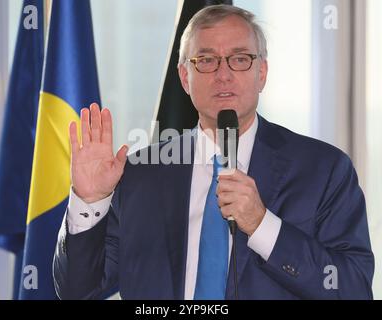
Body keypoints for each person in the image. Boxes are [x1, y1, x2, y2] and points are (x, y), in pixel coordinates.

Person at [53, 4, 374, 300]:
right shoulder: (139, 173)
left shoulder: (323, 170)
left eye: (239, 58)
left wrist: (262, 225)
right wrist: (90, 201)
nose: (223, 73)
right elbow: (77, 292)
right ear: (184, 77)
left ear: (261, 72)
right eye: (206, 60)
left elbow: (353, 288)